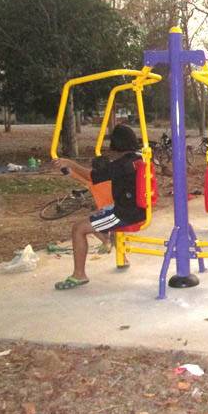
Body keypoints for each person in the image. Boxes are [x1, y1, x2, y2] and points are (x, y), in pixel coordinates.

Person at [52, 124, 145, 290]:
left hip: (125, 213)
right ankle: (118, 253)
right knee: (97, 216)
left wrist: (70, 163)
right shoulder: (139, 158)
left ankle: (79, 275)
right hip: (136, 208)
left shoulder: (121, 165)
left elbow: (91, 176)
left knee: (78, 229)